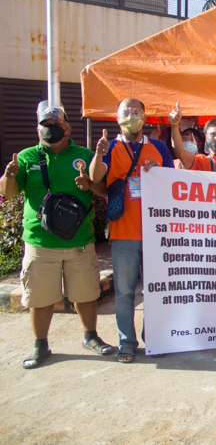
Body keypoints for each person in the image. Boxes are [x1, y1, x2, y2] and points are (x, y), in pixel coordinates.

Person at [0, 103, 114, 369]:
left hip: (79, 242)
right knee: (39, 298)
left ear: (67, 127)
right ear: (38, 129)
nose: (50, 129)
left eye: (55, 124)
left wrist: (89, 184)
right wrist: (9, 176)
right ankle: (40, 345)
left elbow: (102, 189)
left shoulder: (84, 155)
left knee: (85, 293)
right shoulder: (27, 157)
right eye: (45, 125)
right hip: (40, 242)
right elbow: (9, 193)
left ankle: (91, 336)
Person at [90, 98, 174, 363]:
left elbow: (173, 184)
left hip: (155, 234)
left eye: (137, 112)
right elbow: (95, 178)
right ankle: (126, 341)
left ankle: (155, 338)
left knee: (154, 291)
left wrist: (159, 171)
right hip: (123, 233)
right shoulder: (110, 147)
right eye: (126, 112)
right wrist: (97, 153)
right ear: (117, 118)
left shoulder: (159, 147)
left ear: (145, 117)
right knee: (125, 292)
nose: (132, 116)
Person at [168, 105, 216, 174]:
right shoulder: (200, 161)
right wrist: (174, 125)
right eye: (212, 134)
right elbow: (179, 152)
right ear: (206, 137)